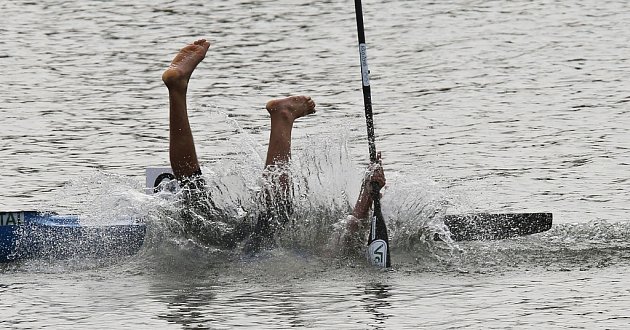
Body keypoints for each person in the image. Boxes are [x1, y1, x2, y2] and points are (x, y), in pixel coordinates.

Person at [162, 39, 385, 252]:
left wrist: (366, 196)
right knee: (201, 197)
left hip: (225, 254)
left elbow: (344, 242)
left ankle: (178, 88)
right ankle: (282, 117)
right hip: (235, 256)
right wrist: (366, 195)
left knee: (196, 196)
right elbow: (342, 246)